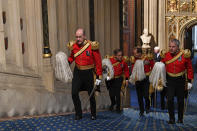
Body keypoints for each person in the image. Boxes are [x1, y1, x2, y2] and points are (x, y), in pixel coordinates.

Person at [67, 28, 102, 120]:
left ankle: (93, 113)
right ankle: (78, 113)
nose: (78, 39)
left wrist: (98, 76)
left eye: (80, 37)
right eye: (76, 37)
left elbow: (98, 63)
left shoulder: (92, 46)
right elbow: (72, 57)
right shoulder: (74, 46)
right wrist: (66, 63)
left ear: (84, 36)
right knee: (74, 93)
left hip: (89, 73)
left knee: (91, 94)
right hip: (78, 72)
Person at [161, 39, 193, 124]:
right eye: (170, 46)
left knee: (180, 100)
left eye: (173, 47)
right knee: (170, 99)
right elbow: (161, 66)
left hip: (180, 80)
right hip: (170, 80)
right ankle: (171, 118)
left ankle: (180, 118)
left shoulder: (184, 55)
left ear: (178, 47)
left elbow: (189, 68)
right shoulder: (166, 55)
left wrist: (189, 81)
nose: (171, 48)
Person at [130, 47, 154, 117]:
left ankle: (147, 106)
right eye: (133, 53)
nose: (134, 55)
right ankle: (141, 110)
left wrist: (153, 77)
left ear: (139, 53)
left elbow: (153, 66)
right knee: (139, 96)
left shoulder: (147, 58)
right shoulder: (134, 59)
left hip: (146, 79)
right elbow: (133, 69)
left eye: (135, 53)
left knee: (146, 95)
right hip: (138, 79)